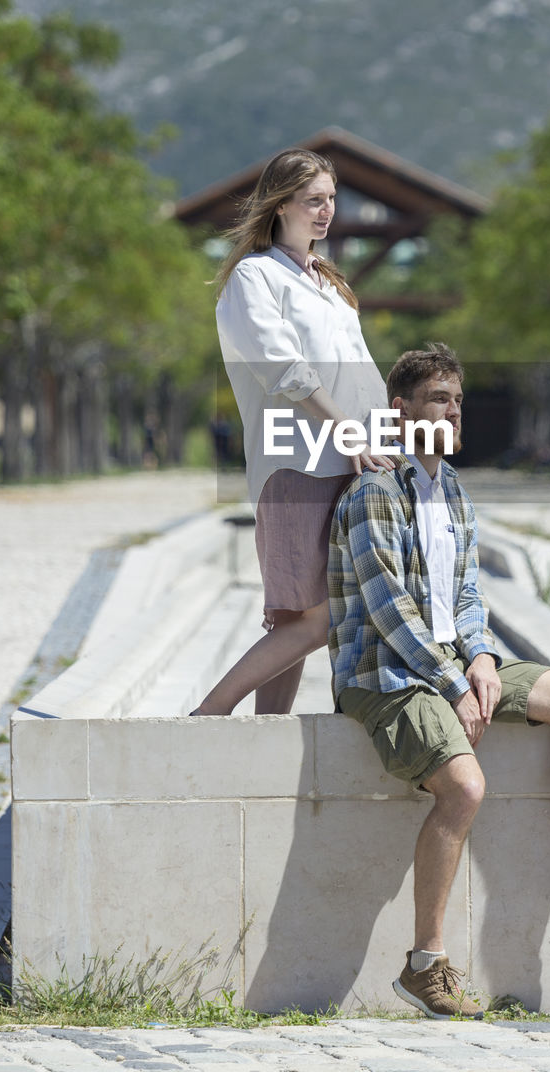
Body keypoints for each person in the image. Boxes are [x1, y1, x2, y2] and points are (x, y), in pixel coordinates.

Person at [328, 344, 550, 1020]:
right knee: (463, 785)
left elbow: (467, 594)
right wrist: (453, 681)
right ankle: (425, 965)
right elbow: (388, 607)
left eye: (456, 400)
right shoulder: (375, 490)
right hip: (383, 675)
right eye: (437, 400)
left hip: (450, 664)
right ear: (400, 412)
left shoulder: (450, 489)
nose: (452, 412)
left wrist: (480, 659)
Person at [192, 148, 390, 716]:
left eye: (331, 200)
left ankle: (266, 730)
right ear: (280, 206)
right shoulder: (254, 278)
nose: (325, 212)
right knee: (312, 617)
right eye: (312, 201)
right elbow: (285, 370)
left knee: (294, 617)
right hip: (297, 464)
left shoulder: (328, 282)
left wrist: (385, 437)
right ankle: (209, 715)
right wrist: (351, 433)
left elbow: (361, 371)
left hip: (350, 464)